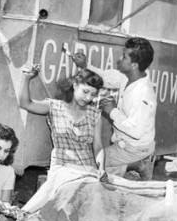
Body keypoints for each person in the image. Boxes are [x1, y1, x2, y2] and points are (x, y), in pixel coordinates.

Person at [73, 37, 157, 179]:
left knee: (92, 162)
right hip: (126, 144)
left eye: (124, 57)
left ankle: (138, 165)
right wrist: (85, 65)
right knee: (102, 166)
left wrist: (112, 111)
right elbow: (106, 77)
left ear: (134, 65)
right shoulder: (129, 77)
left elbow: (136, 131)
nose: (119, 59)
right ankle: (129, 171)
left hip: (135, 148)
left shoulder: (143, 93)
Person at [18, 66, 104, 176]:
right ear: (75, 85)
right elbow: (25, 103)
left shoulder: (95, 113)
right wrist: (27, 78)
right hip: (61, 169)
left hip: (87, 168)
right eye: (85, 91)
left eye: (93, 94)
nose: (88, 98)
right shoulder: (54, 107)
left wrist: (101, 169)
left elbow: (98, 146)